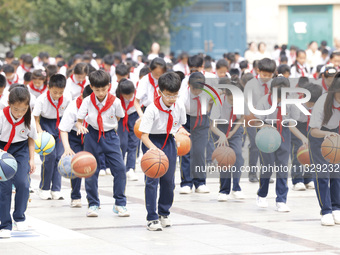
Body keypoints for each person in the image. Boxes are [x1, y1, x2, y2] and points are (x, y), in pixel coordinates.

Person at [76, 70, 129, 218]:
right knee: (90, 171)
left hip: (110, 136)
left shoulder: (116, 102)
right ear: (91, 87)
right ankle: (93, 204)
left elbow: (119, 117)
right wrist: (80, 126)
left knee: (119, 169)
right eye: (97, 89)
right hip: (91, 135)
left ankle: (120, 203)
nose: (100, 93)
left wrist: (108, 127)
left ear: (109, 86)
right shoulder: (87, 101)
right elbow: (79, 121)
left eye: (103, 89)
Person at [139, 72, 188, 230]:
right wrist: (154, 150)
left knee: (168, 182)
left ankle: (164, 213)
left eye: (174, 95)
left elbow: (180, 123)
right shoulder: (151, 109)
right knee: (152, 182)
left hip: (169, 142)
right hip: (152, 141)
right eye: (168, 95)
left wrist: (181, 131)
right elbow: (144, 136)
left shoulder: (179, 105)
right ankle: (151, 217)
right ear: (160, 92)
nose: (171, 99)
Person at [254, 76, 307, 211]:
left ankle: (281, 200)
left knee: (283, 167)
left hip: (283, 133)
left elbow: (291, 123)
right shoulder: (264, 101)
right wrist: (266, 127)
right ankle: (262, 194)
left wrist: (302, 137)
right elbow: (256, 122)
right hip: (266, 134)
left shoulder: (290, 103)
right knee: (268, 166)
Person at [0, 86, 37, 238]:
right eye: (16, 109)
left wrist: (32, 159)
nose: (19, 113)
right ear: (9, 104)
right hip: (2, 149)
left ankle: (19, 217)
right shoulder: (1, 116)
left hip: (21, 149)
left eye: (23, 109)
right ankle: (5, 224)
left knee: (23, 183)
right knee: (4, 187)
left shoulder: (28, 117)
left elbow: (31, 139)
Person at [308, 72, 340, 226]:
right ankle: (326, 211)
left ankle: (336, 208)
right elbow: (313, 130)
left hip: (335, 134)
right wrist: (328, 134)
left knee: (336, 172)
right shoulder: (323, 101)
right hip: (319, 136)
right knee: (323, 174)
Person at [33, 74, 71, 200]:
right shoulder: (41, 100)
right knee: (49, 157)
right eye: (55, 92)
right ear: (48, 87)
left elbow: (67, 117)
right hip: (45, 126)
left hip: (60, 126)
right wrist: (41, 133)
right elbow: (36, 120)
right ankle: (44, 188)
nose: (57, 95)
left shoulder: (67, 98)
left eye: (60, 92)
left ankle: (56, 189)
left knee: (59, 158)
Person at [179, 72, 215, 194]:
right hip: (186, 121)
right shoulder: (183, 96)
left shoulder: (207, 92)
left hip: (201, 121)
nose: (197, 92)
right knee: (186, 152)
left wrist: (209, 109)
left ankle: (200, 182)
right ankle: (186, 183)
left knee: (199, 152)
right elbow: (178, 114)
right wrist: (181, 128)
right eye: (194, 89)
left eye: (200, 89)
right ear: (189, 85)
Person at [210, 79, 245, 201]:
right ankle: (224, 190)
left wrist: (233, 131)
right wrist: (222, 135)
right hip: (220, 128)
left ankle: (236, 188)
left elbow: (242, 118)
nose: (234, 102)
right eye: (231, 100)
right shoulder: (218, 102)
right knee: (225, 159)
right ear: (226, 94)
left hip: (234, 127)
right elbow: (212, 126)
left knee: (238, 156)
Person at [59, 85, 93, 208]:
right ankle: (75, 196)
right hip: (75, 136)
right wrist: (67, 148)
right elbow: (63, 129)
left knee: (91, 166)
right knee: (77, 165)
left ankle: (93, 199)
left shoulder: (99, 104)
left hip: (91, 134)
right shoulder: (73, 108)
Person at [244, 58, 276, 182]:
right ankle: (252, 173)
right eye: (264, 75)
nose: (266, 78)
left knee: (268, 146)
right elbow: (247, 104)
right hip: (253, 117)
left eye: (269, 75)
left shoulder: (273, 83)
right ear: (258, 71)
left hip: (268, 118)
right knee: (254, 145)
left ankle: (266, 173)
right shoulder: (251, 85)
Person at [290, 84, 322, 191]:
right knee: (298, 150)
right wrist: (303, 138)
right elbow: (291, 125)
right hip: (297, 125)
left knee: (312, 151)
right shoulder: (295, 104)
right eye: (309, 103)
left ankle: (308, 178)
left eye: (313, 103)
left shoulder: (320, 104)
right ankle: (297, 180)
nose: (310, 105)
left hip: (312, 125)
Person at [116, 79, 139, 181]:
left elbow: (139, 107)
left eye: (130, 95)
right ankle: (120, 166)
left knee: (133, 143)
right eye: (126, 96)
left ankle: (130, 168)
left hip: (134, 116)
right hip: (121, 118)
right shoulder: (116, 97)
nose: (129, 98)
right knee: (123, 142)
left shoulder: (137, 95)